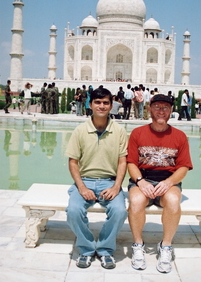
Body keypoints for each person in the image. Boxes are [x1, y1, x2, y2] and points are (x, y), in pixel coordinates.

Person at [127, 93, 193, 273]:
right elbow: (131, 163)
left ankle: (166, 246)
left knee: (172, 201)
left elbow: (184, 167)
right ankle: (138, 244)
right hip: (144, 178)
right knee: (136, 201)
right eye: (157, 107)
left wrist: (169, 182)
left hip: (168, 180)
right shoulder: (138, 133)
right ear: (150, 109)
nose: (161, 111)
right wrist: (140, 181)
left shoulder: (179, 136)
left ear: (171, 110)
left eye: (165, 107)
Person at [65, 87, 128, 270]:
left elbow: (122, 161)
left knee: (119, 211)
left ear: (111, 105)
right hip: (85, 180)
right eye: (98, 102)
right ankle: (86, 249)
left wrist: (117, 187)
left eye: (106, 103)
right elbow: (73, 162)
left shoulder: (119, 130)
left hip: (109, 181)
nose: (101, 106)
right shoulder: (80, 130)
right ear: (90, 104)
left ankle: (105, 249)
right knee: (73, 211)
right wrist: (82, 188)